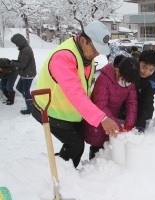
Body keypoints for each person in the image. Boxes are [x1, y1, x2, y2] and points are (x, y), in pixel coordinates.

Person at [32, 20, 120, 168]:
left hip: (71, 113)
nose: (96, 54)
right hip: (50, 110)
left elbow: (85, 88)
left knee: (78, 145)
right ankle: (56, 173)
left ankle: (66, 172)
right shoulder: (63, 57)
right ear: (84, 40)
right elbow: (75, 93)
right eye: (95, 49)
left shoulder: (87, 56)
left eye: (99, 50)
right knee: (75, 145)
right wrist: (101, 117)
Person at [84, 56, 140, 160]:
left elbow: (132, 103)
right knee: (97, 146)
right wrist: (116, 125)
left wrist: (129, 124)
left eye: (129, 82)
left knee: (110, 146)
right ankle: (93, 166)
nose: (126, 83)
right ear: (117, 71)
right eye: (124, 79)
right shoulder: (104, 79)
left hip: (112, 118)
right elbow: (101, 105)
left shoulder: (130, 81)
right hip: (99, 120)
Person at [117, 49, 155, 133]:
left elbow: (148, 105)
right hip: (119, 113)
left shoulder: (151, 83)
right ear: (138, 62)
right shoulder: (130, 71)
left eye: (151, 70)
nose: (147, 72)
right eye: (144, 67)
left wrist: (141, 124)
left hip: (136, 117)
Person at [10, 34, 36, 114]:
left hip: (28, 74)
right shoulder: (23, 49)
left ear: (20, 42)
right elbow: (20, 61)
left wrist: (11, 63)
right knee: (19, 88)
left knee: (25, 91)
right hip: (25, 74)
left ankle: (31, 108)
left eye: (16, 43)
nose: (16, 45)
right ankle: (32, 102)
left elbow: (22, 65)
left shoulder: (26, 50)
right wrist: (12, 62)